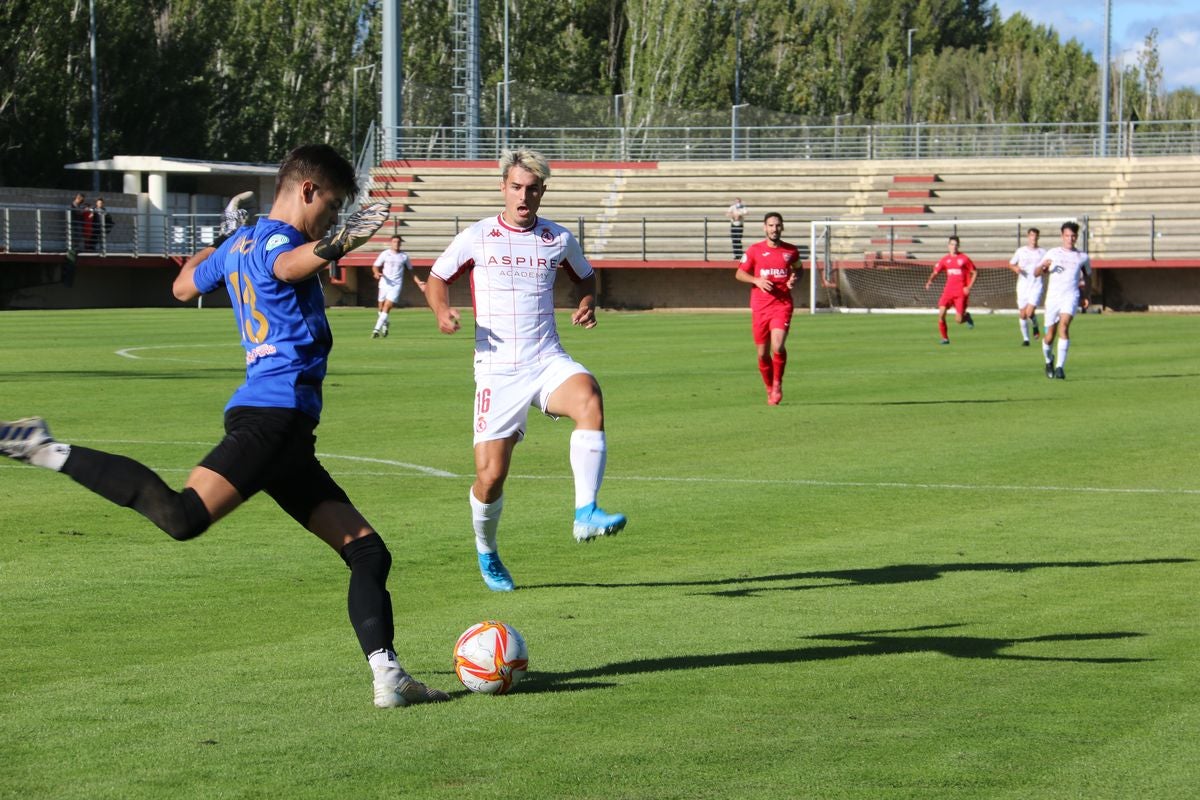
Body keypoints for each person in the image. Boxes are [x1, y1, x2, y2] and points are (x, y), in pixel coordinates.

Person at [0, 144, 448, 710]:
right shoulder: (285, 241)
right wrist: (343, 241)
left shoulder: (242, 241)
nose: (332, 220)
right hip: (274, 416)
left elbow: (183, 287)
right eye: (331, 207)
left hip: (283, 429)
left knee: (367, 551)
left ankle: (389, 677)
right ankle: (42, 448)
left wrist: (226, 236)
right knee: (181, 516)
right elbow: (287, 263)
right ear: (307, 191)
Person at [424, 148, 627, 593]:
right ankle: (487, 550)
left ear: (542, 192)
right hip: (497, 371)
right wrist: (442, 312)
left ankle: (585, 513)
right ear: (503, 187)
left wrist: (588, 302)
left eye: (532, 189)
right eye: (516, 186)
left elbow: (586, 276)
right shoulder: (478, 236)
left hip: (546, 359)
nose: (523, 195)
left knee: (589, 395)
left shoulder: (558, 238)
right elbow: (437, 278)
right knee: (491, 477)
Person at [734, 212, 802, 405]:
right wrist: (756, 279)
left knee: (777, 346)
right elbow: (739, 273)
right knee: (762, 353)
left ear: (782, 227)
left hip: (782, 305)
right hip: (760, 307)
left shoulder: (791, 251)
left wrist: (794, 279)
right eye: (771, 225)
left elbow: (799, 269)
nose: (774, 229)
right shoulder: (755, 250)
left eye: (777, 225)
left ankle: (778, 384)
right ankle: (769, 387)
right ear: (765, 228)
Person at [1035, 221, 1091, 380]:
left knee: (1064, 327)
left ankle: (1060, 367)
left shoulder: (1082, 257)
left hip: (1071, 296)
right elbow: (1036, 272)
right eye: (1067, 236)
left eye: (1073, 236)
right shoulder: (1052, 253)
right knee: (1049, 336)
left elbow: (1088, 276)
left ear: (1077, 237)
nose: (1070, 239)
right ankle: (1048, 360)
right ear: (1062, 236)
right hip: (1053, 298)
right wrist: (1043, 267)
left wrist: (1086, 295)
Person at [924, 235, 977, 344]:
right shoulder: (945, 260)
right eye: (952, 244)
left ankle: (966, 317)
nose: (954, 247)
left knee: (958, 320)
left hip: (960, 293)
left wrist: (969, 287)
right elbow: (935, 272)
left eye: (956, 245)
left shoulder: (964, 259)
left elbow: (975, 272)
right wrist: (930, 281)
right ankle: (945, 338)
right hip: (948, 291)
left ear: (958, 246)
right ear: (948, 245)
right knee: (941, 314)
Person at [371, 234, 425, 338]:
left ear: (400, 244)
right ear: (391, 243)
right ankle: (385, 324)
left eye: (398, 242)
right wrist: (376, 273)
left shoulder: (404, 256)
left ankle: (376, 330)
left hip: (396, 285)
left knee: (387, 306)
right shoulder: (385, 254)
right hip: (384, 283)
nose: (396, 244)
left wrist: (419, 282)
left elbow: (411, 271)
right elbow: (375, 266)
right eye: (394, 242)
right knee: (381, 308)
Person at [1008, 227, 1045, 346]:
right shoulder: (1021, 251)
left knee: (1029, 312)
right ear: (1028, 237)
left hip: (1036, 285)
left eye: (1035, 236)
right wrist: (1016, 269)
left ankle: (1034, 324)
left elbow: (1047, 267)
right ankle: (1026, 339)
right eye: (1031, 235)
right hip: (1022, 286)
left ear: (1038, 237)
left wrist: (1044, 270)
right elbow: (1011, 264)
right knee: (1022, 314)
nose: (1033, 238)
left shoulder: (1043, 252)